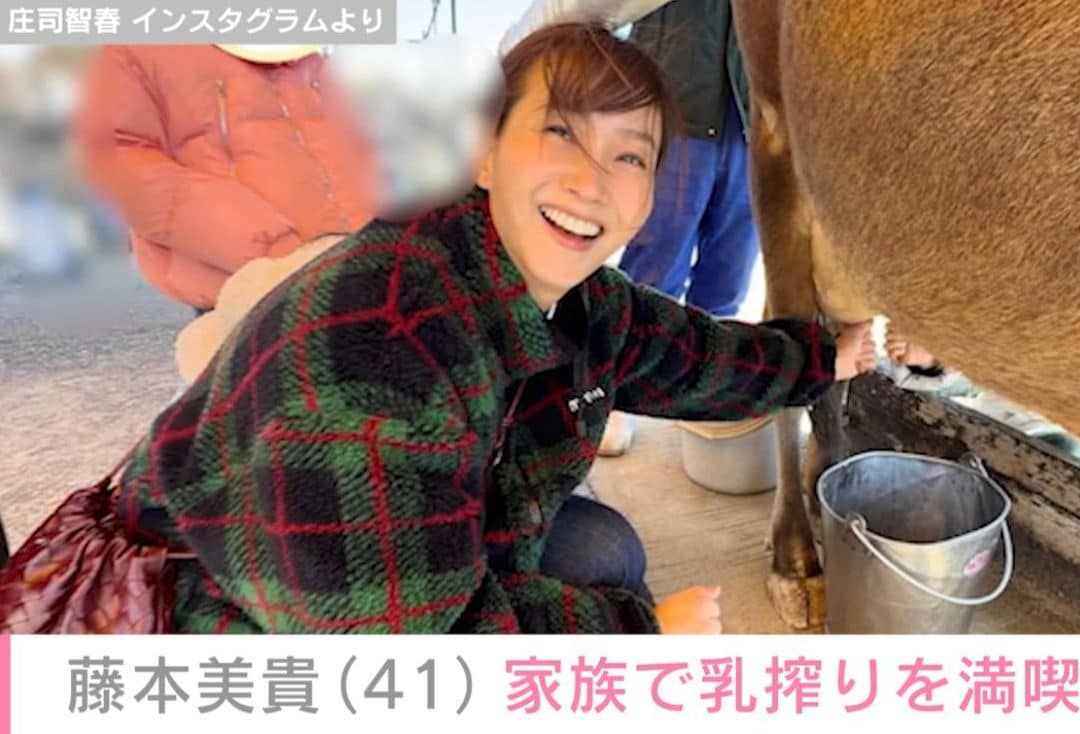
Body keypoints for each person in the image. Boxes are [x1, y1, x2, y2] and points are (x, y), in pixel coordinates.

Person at [114, 23, 876, 634]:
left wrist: (830, 357)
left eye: (629, 155)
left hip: (401, 538)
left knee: (604, 550)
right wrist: (637, 635)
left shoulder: (575, 294)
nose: (591, 181)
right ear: (484, 155)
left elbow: (686, 355)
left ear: (650, 194)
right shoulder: (385, 352)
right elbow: (397, 644)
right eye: (562, 134)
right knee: (604, 581)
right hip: (231, 603)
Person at [505, 0, 757, 456]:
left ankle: (708, 394)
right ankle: (616, 395)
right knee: (657, 263)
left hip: (752, 120)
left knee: (729, 274)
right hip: (678, 109)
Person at [75, 44, 378, 311]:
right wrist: (270, 247)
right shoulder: (138, 49)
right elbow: (122, 162)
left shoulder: (297, 43)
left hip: (359, 265)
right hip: (250, 282)